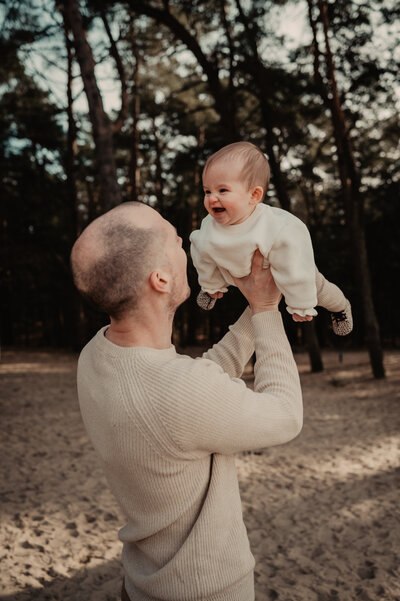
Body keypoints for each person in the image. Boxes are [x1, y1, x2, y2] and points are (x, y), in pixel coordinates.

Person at [71, 201, 303, 601]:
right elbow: (285, 416)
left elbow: (198, 386)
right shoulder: (176, 390)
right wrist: (266, 311)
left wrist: (256, 306)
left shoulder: (97, 353)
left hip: (142, 584)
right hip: (206, 591)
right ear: (160, 279)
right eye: (174, 239)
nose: (186, 240)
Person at [190, 141, 353, 336]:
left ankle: (341, 306)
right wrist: (211, 284)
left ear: (254, 195)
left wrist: (300, 301)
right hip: (240, 273)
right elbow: (203, 253)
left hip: (291, 269)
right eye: (207, 191)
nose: (211, 198)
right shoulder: (209, 225)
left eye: (222, 190)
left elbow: (294, 259)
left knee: (320, 289)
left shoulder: (276, 226)